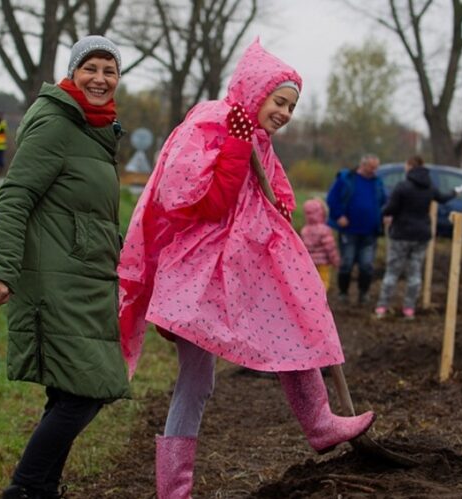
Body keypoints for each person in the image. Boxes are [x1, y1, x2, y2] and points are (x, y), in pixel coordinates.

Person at [118, 39, 375, 499]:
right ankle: (174, 491)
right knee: (197, 382)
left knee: (287, 330)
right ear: (256, 92)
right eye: (280, 102)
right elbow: (206, 202)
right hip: (200, 276)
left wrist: (275, 195)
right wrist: (236, 144)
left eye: (292, 106)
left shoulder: (260, 140)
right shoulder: (211, 123)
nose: (286, 113)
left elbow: (275, 203)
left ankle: (319, 422)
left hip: (242, 270)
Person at [0, 36, 129, 499]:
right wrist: (1, 268)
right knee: (87, 390)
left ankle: (41, 489)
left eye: (110, 70)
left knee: (70, 392)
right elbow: (15, 196)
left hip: (87, 276)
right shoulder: (56, 123)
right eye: (91, 68)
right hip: (55, 279)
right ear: (72, 72)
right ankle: (25, 487)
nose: (100, 79)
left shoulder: (95, 129)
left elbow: (91, 214)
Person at [374, 156, 462, 320]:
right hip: (421, 235)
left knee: (392, 272)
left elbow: (390, 208)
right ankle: (409, 309)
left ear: (409, 167)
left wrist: (383, 212)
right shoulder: (429, 186)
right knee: (414, 273)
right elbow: (442, 198)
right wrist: (456, 191)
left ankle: (382, 307)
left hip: (400, 234)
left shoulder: (402, 187)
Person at [326, 154, 386, 305]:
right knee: (347, 262)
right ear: (363, 165)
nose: (374, 170)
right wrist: (338, 216)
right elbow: (332, 199)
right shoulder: (347, 179)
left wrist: (386, 215)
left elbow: (384, 201)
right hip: (349, 230)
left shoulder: (377, 182)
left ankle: (363, 293)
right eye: (371, 167)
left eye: (376, 168)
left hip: (370, 231)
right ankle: (343, 293)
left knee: (367, 265)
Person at [300, 198, 340, 291]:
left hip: (309, 263)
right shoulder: (325, 230)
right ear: (323, 213)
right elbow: (330, 248)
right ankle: (321, 301)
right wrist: (335, 261)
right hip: (323, 264)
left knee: (311, 282)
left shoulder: (305, 230)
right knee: (323, 282)